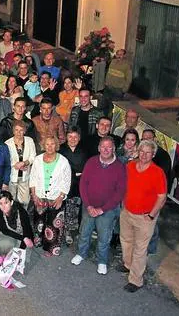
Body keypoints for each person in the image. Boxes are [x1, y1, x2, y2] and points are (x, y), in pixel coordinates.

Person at [70, 136, 125, 275]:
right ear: (99, 148)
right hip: (89, 207)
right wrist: (88, 205)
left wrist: (102, 209)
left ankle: (102, 261)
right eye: (103, 147)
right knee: (84, 233)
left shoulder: (119, 167)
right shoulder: (91, 162)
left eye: (109, 147)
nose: (106, 150)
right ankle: (81, 254)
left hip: (108, 210)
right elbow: (83, 184)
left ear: (113, 149)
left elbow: (120, 192)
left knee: (104, 237)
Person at [118, 140, 167, 292]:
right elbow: (123, 185)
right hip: (127, 212)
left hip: (145, 218)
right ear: (138, 151)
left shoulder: (157, 172)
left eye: (148, 152)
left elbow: (162, 196)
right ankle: (128, 264)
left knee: (140, 248)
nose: (144, 155)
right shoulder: (130, 166)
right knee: (126, 240)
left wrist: (152, 215)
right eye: (142, 151)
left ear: (153, 154)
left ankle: (135, 280)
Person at [29, 136, 72, 256]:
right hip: (40, 195)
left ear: (56, 145)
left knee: (53, 225)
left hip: (55, 197)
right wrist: (34, 195)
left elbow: (66, 180)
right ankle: (38, 241)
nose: (50, 147)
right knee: (39, 222)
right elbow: (32, 178)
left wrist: (61, 197)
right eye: (47, 144)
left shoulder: (63, 161)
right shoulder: (37, 160)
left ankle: (50, 248)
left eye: (52, 144)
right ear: (44, 145)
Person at [58, 127, 88, 244]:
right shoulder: (61, 150)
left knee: (74, 209)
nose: (73, 139)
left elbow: (86, 168)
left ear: (79, 138)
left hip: (79, 185)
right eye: (70, 136)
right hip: (64, 184)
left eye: (75, 137)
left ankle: (70, 231)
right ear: (66, 137)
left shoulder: (84, 151)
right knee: (62, 208)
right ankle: (60, 231)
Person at [5, 121, 36, 205]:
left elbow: (33, 156)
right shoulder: (7, 144)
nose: (18, 132)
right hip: (12, 176)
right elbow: (6, 160)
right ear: (13, 131)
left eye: (21, 130)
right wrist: (16, 165)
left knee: (25, 201)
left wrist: (24, 163)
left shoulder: (30, 141)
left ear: (25, 131)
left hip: (25, 176)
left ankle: (23, 216)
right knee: (11, 199)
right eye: (16, 130)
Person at [103, 49, 132, 115]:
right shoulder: (112, 62)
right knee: (104, 105)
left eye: (121, 55)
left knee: (114, 108)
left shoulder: (127, 65)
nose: (119, 56)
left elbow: (129, 79)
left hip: (117, 90)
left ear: (124, 55)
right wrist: (105, 82)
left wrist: (124, 90)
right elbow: (108, 73)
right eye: (118, 54)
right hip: (108, 88)